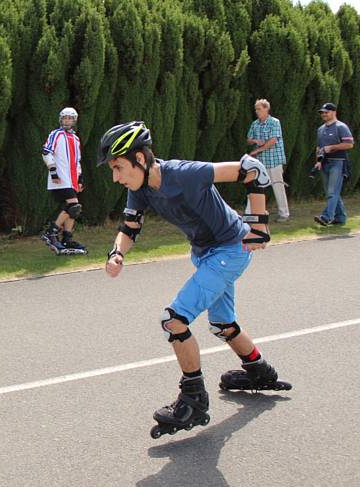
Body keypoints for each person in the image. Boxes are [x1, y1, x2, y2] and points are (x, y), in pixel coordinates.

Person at [98, 121, 291, 439]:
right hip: (206, 254)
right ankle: (260, 371)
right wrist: (116, 253)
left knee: (173, 320)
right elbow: (129, 227)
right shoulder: (141, 189)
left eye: (118, 167)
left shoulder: (184, 173)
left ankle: (193, 400)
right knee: (222, 325)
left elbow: (252, 168)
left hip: (230, 250)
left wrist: (259, 225)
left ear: (141, 160)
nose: (116, 177)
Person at [39, 107, 87, 255]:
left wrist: (79, 178)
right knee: (73, 205)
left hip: (71, 179)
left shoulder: (76, 139)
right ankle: (50, 232)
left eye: (70, 118)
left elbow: (76, 160)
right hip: (59, 178)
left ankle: (67, 238)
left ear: (74, 121)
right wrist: (53, 171)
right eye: (65, 118)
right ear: (61, 120)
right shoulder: (56, 134)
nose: (67, 121)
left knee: (74, 209)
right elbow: (46, 152)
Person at [247, 99, 289, 222]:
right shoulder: (255, 124)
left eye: (259, 109)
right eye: (256, 109)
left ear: (266, 109)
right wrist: (255, 141)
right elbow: (248, 139)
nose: (257, 111)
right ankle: (253, 213)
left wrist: (257, 150)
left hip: (274, 161)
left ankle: (284, 214)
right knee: (256, 187)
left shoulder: (274, 122)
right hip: (260, 163)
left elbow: (272, 141)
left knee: (278, 187)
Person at [313, 102, 354, 226]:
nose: (324, 114)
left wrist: (331, 147)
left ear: (334, 112)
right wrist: (318, 162)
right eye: (322, 112)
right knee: (331, 192)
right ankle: (340, 218)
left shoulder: (341, 127)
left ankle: (326, 217)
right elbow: (319, 148)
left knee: (332, 191)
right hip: (324, 163)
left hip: (338, 162)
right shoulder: (320, 129)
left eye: (327, 112)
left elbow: (350, 144)